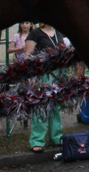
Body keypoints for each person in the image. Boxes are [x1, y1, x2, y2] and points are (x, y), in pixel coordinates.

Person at [25, 23, 68, 153]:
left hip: (57, 75)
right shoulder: (35, 33)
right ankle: (37, 140)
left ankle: (56, 137)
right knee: (40, 107)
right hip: (42, 75)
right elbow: (28, 54)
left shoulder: (59, 32)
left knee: (55, 107)